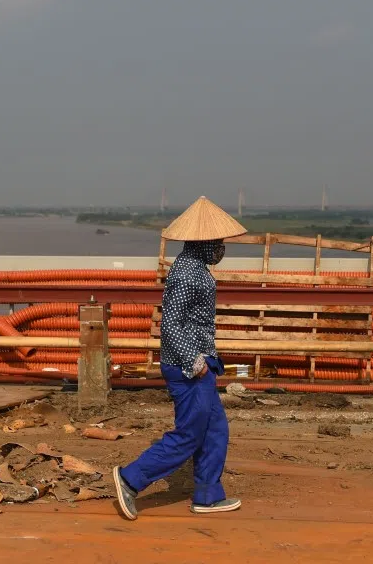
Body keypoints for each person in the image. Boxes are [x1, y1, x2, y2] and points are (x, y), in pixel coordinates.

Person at [113, 196, 247, 520]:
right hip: (190, 369)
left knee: (215, 431)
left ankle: (207, 495)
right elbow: (171, 323)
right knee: (189, 435)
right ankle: (130, 480)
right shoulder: (187, 273)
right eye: (216, 242)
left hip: (201, 364)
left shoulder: (195, 268)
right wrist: (195, 361)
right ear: (203, 242)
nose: (221, 248)